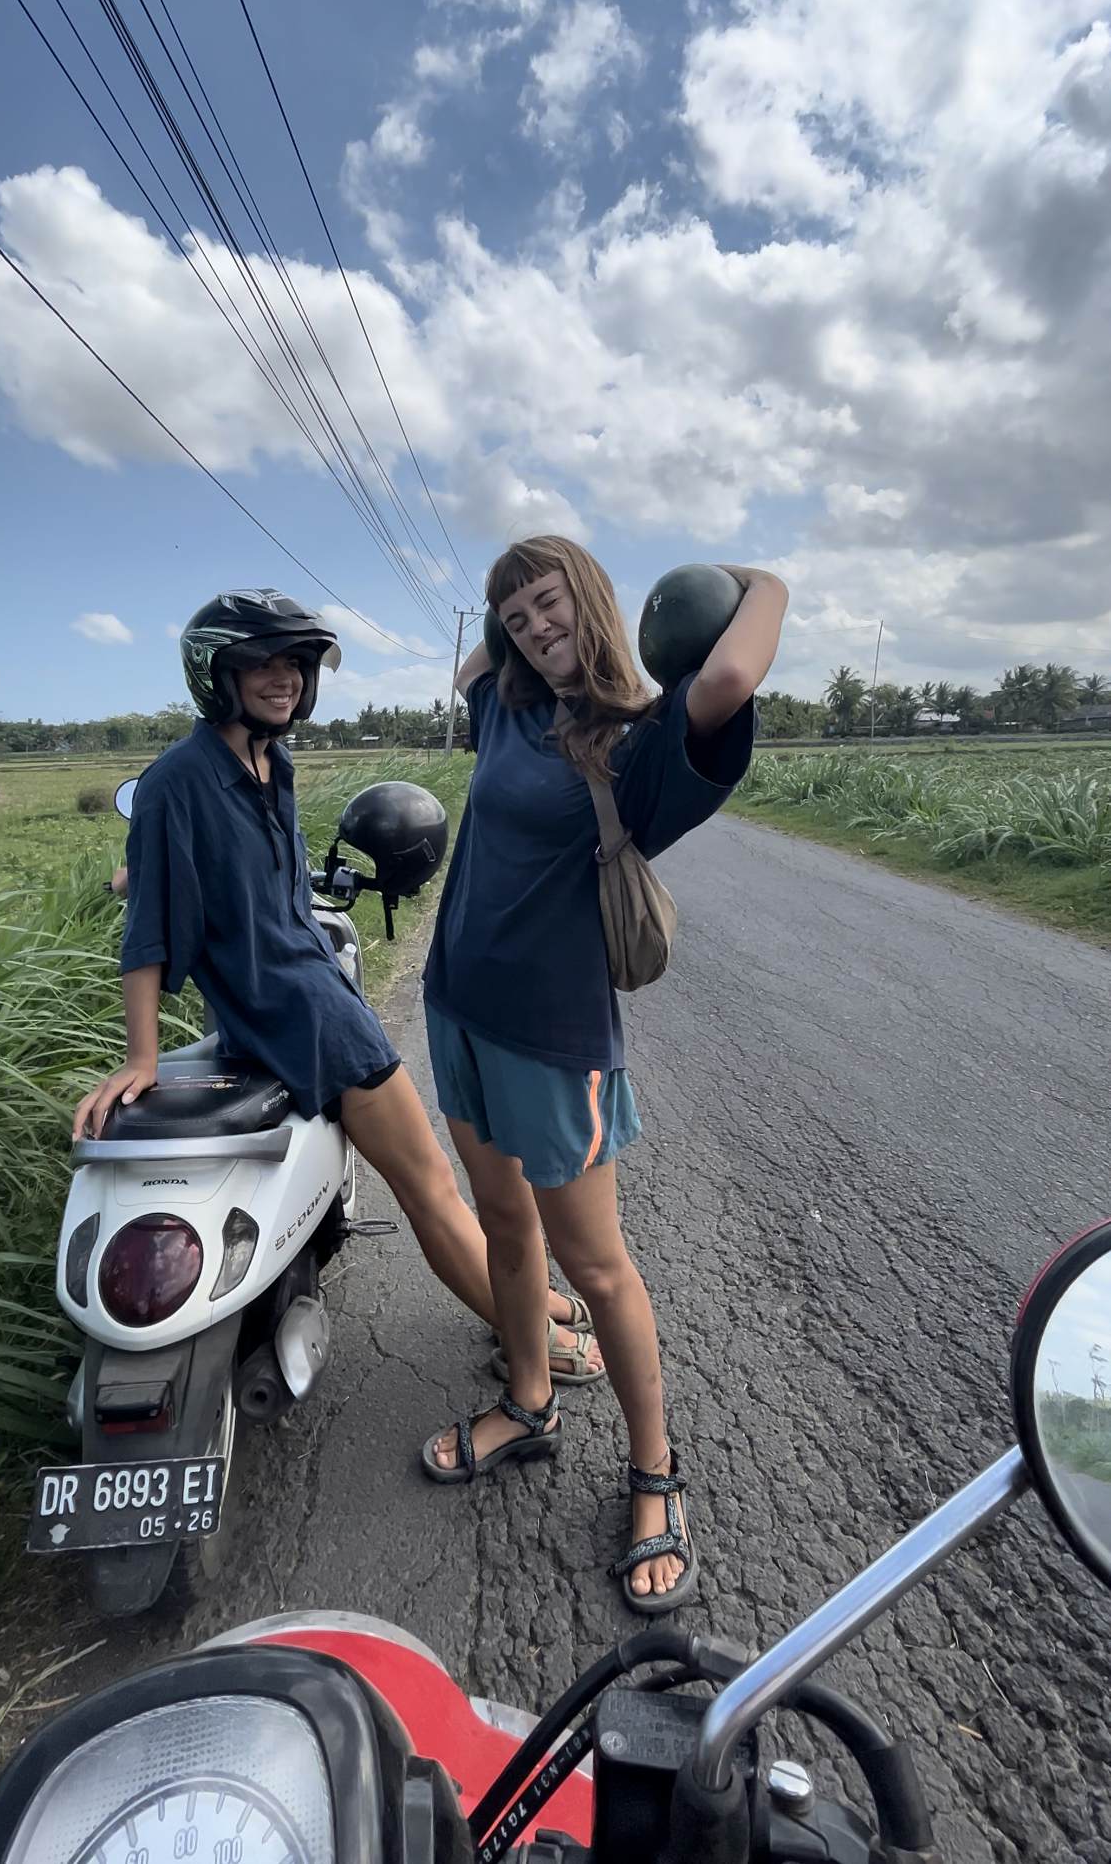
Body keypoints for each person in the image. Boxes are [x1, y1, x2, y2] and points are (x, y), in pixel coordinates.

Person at [73, 588, 604, 1385]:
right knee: (429, 1186)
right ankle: (531, 1336)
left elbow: (249, 880)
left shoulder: (267, 761)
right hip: (307, 1016)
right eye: (262, 662)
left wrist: (134, 871)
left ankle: (540, 1305)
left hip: (304, 995)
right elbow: (148, 932)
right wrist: (140, 1056)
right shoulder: (177, 781)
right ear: (217, 672)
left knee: (434, 1181)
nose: (284, 677)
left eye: (295, 662)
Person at [419, 537, 788, 1610]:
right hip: (456, 1010)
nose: (534, 627)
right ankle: (531, 1403)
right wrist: (505, 622)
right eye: (517, 615)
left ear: (592, 598)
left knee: (601, 1267)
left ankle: (655, 1473)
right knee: (503, 1225)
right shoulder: (508, 707)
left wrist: (762, 579)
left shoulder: (645, 740)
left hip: (551, 1038)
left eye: (550, 605)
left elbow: (727, 673)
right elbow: (474, 665)